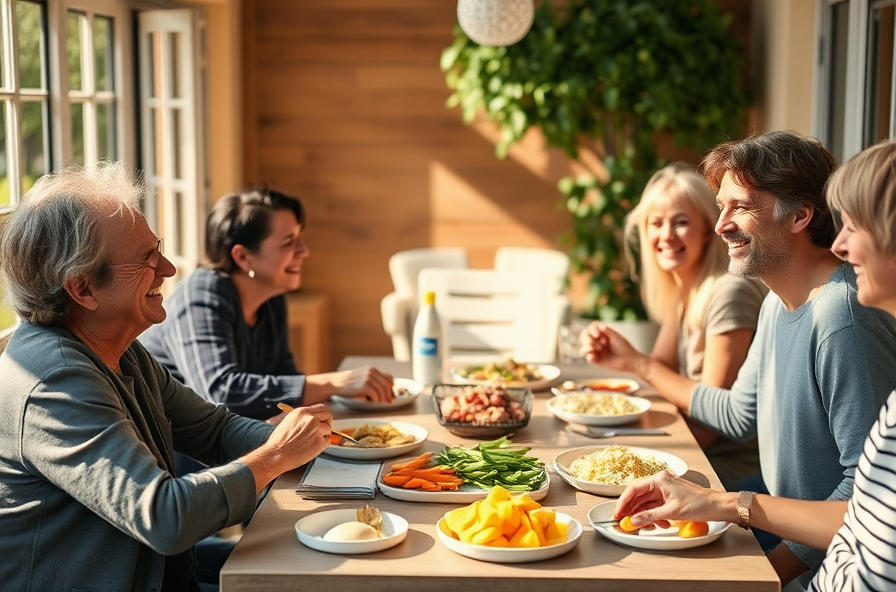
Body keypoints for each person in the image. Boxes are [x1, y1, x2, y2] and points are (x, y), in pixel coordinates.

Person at [0, 162, 334, 591]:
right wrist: (276, 455)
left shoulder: (116, 347)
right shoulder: (55, 381)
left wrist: (322, 445)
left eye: (156, 247)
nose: (169, 267)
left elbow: (214, 429)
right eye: (146, 259)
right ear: (83, 289)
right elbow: (165, 516)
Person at [584, 131, 896, 588]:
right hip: (787, 535)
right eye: (721, 205)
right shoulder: (776, 302)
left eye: (742, 206)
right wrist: (638, 366)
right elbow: (739, 413)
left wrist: (771, 571)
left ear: (801, 216)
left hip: (824, 562)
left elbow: (867, 496)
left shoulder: (842, 318)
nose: (720, 224)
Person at [140, 188, 394, 421]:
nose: (304, 251)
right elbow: (221, 391)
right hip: (188, 458)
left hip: (238, 444)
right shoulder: (201, 295)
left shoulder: (271, 296)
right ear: (242, 256)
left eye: (299, 238)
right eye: (288, 242)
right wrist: (333, 383)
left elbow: (283, 377)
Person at [620, 162, 767, 492]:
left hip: (731, 473)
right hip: (699, 452)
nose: (666, 235)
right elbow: (661, 371)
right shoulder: (687, 289)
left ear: (706, 228)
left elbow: (710, 423)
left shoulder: (730, 291)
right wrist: (623, 361)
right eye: (656, 224)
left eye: (681, 222)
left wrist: (636, 364)